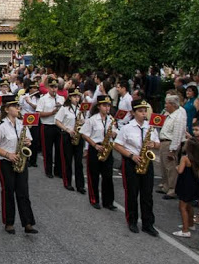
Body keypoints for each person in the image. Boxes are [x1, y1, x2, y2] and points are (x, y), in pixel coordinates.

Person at [0, 94, 37, 235]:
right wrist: (8, 154)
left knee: (23, 192)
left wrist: (28, 142)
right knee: (8, 191)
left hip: (20, 160)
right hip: (4, 163)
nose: (18, 108)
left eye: (18, 106)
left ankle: (27, 223)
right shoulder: (1, 126)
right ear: (7, 109)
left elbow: (29, 140)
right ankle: (9, 223)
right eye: (15, 106)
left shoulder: (22, 123)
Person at [114, 99, 161, 236]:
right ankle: (132, 221)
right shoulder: (127, 128)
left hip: (146, 162)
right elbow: (117, 145)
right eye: (140, 111)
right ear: (133, 113)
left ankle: (148, 224)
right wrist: (131, 156)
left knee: (147, 194)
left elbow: (158, 143)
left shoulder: (150, 127)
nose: (143, 113)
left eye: (144, 111)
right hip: (131, 162)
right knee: (132, 193)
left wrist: (154, 144)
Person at [79, 95, 118, 210]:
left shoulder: (111, 119)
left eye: (108, 105)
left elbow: (115, 132)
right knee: (94, 175)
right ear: (99, 106)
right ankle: (94, 199)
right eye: (105, 105)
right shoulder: (92, 119)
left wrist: (114, 134)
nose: (107, 108)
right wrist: (94, 145)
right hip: (95, 147)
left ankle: (108, 202)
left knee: (108, 176)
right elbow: (84, 134)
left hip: (107, 148)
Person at [172, 137, 199, 238]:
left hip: (185, 184)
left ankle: (185, 230)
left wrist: (176, 166)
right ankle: (190, 224)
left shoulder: (185, 158)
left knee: (182, 207)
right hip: (194, 183)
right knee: (189, 205)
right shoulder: (198, 158)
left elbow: (180, 170)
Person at [55, 88, 85, 193]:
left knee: (79, 162)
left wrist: (82, 122)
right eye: (74, 97)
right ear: (70, 98)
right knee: (67, 160)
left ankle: (80, 185)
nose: (77, 99)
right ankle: (67, 182)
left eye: (78, 97)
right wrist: (67, 129)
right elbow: (57, 121)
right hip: (67, 136)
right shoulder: (64, 109)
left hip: (78, 136)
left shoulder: (81, 109)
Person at [157, 95, 187, 200]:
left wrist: (173, 149)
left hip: (170, 143)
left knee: (171, 167)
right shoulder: (170, 115)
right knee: (164, 166)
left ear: (173, 105)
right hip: (164, 142)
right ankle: (165, 185)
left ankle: (172, 189)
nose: (165, 106)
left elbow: (177, 134)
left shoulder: (178, 116)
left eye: (167, 104)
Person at [36, 78, 65, 178]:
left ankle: (58, 170)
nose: (54, 89)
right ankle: (48, 171)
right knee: (47, 150)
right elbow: (39, 114)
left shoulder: (61, 99)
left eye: (56, 87)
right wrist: (51, 113)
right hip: (47, 126)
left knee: (59, 150)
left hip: (58, 126)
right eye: (52, 87)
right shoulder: (43, 99)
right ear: (48, 87)